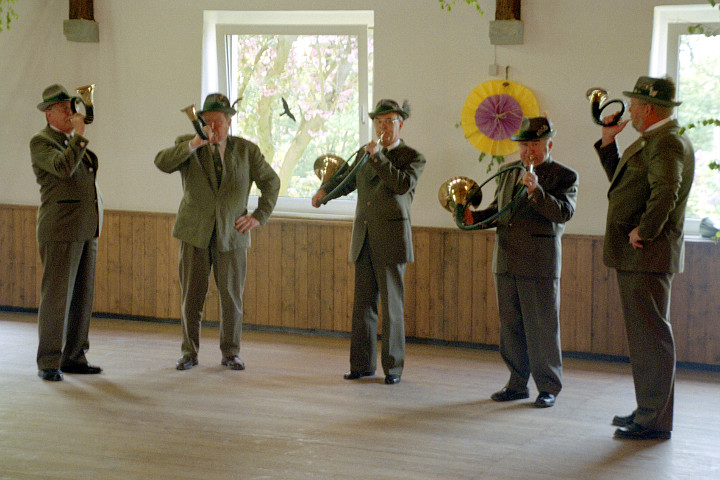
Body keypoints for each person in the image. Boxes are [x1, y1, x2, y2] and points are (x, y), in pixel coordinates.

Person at [594, 76, 694, 440]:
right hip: (640, 255)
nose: (630, 111)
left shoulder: (665, 142)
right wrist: (609, 144)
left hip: (646, 253)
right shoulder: (655, 140)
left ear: (648, 109)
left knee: (651, 337)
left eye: (634, 105)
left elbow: (667, 190)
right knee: (644, 337)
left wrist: (646, 230)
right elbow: (628, 186)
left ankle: (653, 419)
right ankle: (648, 408)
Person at [155, 93, 280, 371]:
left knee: (231, 299)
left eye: (219, 122)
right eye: (208, 121)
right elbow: (161, 163)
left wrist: (259, 216)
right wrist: (193, 144)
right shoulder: (187, 146)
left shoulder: (247, 151)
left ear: (229, 122)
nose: (214, 127)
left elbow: (271, 182)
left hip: (232, 235)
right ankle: (189, 353)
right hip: (194, 233)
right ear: (201, 122)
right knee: (191, 298)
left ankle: (231, 352)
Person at [464, 117, 578, 408]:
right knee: (511, 326)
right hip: (505, 260)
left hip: (539, 264)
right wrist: (474, 218)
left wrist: (536, 192)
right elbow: (498, 211)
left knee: (542, 328)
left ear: (549, 144)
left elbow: (563, 213)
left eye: (535, 144)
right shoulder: (506, 171)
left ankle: (548, 387)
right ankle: (516, 383)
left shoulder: (564, 176)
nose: (529, 150)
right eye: (524, 144)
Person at [312, 99, 426, 385]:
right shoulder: (365, 155)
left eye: (388, 121)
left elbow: (400, 185)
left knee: (392, 307)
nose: (382, 127)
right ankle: (361, 365)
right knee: (363, 305)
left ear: (401, 123)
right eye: (378, 122)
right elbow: (346, 180)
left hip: (392, 239)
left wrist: (378, 157)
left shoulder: (412, 157)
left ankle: (394, 368)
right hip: (363, 238)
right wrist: (324, 192)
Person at [30, 84, 104, 382]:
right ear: (48, 113)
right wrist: (79, 137)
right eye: (63, 109)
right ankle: (48, 360)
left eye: (71, 108)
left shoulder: (69, 140)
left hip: (85, 228)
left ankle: (74, 356)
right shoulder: (42, 142)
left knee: (81, 298)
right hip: (60, 229)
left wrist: (76, 138)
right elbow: (63, 169)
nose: (71, 113)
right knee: (57, 298)